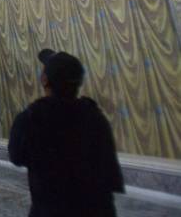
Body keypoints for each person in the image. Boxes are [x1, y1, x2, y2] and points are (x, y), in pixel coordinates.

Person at [8, 49, 124, 216]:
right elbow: (109, 169)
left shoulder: (31, 118)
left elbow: (16, 157)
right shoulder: (95, 117)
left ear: (45, 80)